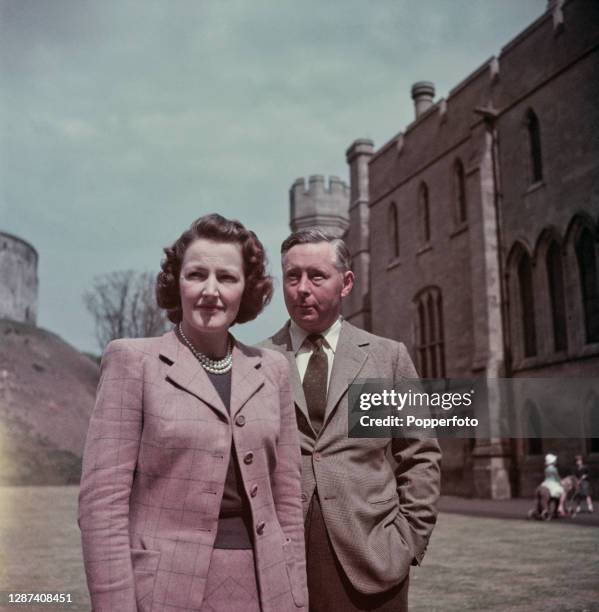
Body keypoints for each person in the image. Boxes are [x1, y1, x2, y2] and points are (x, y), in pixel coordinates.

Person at [78, 214, 307, 612]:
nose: (211, 291)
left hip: (266, 591)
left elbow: (288, 500)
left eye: (227, 278)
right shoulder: (133, 361)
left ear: (247, 289)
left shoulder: (272, 370)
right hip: (164, 593)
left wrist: (296, 596)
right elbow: (102, 507)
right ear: (176, 282)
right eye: (197, 274)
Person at [260, 229, 441, 612]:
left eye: (316, 276)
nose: (302, 289)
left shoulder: (385, 358)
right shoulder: (258, 362)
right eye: (293, 277)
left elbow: (420, 453)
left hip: (374, 558)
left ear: (346, 283)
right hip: (284, 563)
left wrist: (408, 540)